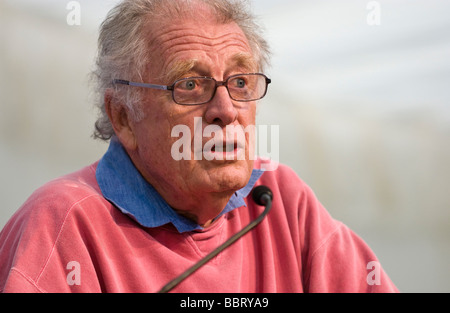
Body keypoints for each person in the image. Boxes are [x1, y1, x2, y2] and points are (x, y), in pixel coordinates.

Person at [0, 0, 398, 293]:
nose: (226, 110)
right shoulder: (61, 224)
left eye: (240, 83)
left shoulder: (280, 200)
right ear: (123, 117)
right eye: (190, 85)